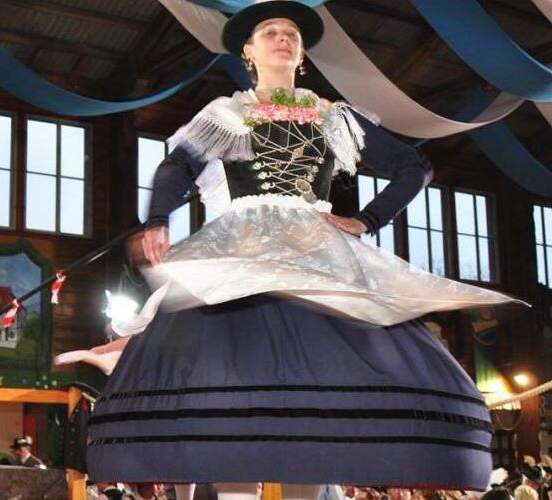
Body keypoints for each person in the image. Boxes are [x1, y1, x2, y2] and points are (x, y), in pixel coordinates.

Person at [85, 0, 522, 496]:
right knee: (232, 383)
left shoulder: (333, 116)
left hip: (316, 251)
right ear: (248, 51)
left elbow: (414, 167)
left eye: (291, 33)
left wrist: (368, 219)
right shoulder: (226, 113)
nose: (283, 38)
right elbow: (177, 167)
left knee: (319, 386)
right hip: (241, 249)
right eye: (270, 31)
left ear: (302, 55)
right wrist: (158, 219)